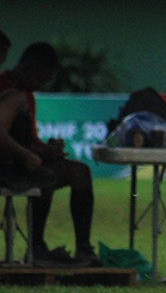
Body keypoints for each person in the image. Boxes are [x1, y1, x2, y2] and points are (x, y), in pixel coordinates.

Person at [0, 42, 100, 266]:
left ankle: (84, 248)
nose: (42, 86)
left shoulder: (26, 95)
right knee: (44, 175)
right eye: (41, 79)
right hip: (8, 165)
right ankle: (36, 247)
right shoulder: (9, 93)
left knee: (80, 172)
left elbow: (28, 139)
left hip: (22, 160)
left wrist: (46, 149)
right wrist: (28, 155)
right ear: (27, 68)